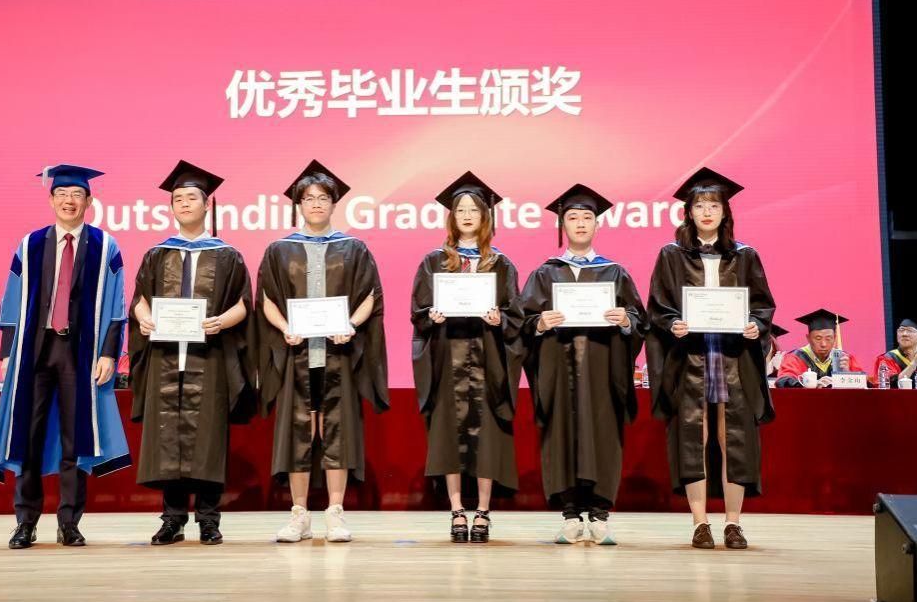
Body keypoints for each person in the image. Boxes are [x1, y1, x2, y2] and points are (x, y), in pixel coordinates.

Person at [0, 164, 130, 549]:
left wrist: (109, 353)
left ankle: (69, 522)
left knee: (74, 437)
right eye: (62, 194)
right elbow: (11, 297)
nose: (69, 200)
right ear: (51, 201)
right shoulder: (30, 244)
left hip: (80, 352)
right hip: (35, 349)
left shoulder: (106, 246)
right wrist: (7, 351)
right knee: (28, 434)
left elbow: (117, 305)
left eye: (77, 194)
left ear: (89, 201)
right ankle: (25, 521)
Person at [256, 160, 389, 543]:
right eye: (309, 198)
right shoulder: (280, 250)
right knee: (298, 431)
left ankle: (335, 513)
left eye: (323, 198)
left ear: (333, 203)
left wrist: (351, 325)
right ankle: (299, 515)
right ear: (299, 204)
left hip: (337, 354)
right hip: (296, 355)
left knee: (338, 431)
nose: (316, 203)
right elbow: (266, 298)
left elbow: (370, 296)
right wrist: (285, 328)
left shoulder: (353, 248)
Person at [646, 167, 776, 550]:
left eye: (714, 205)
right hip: (691, 358)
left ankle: (733, 523)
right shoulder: (671, 256)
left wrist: (755, 325)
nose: (707, 212)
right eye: (700, 205)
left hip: (733, 358)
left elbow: (762, 306)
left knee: (732, 436)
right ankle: (700, 522)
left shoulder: (745, 256)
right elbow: (659, 307)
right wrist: (673, 324)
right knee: (694, 437)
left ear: (725, 212)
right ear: (688, 212)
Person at [128, 161, 255, 546]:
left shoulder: (227, 255)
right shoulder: (157, 254)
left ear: (206, 204)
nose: (184, 203)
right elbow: (139, 299)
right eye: (178, 199)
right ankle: (172, 519)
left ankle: (209, 519)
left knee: (208, 438)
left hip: (209, 357)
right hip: (166, 357)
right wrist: (144, 318)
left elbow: (243, 303)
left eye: (191, 198)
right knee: (167, 435)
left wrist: (221, 322)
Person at [520, 184, 646, 546]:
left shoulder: (615, 272)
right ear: (562, 224)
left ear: (597, 224)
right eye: (572, 217)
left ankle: (600, 514)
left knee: (602, 434)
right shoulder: (545, 273)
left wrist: (626, 319)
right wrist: (539, 323)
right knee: (562, 435)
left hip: (602, 371)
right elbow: (522, 322)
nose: (579, 223)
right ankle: (571, 513)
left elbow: (640, 320)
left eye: (587, 217)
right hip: (559, 371)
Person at [410, 172, 523, 544]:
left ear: (485, 216)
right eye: (461, 209)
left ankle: (484, 511)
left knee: (487, 436)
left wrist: (500, 319)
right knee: (449, 433)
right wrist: (431, 316)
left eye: (474, 209)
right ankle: (457, 509)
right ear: (452, 216)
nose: (468, 215)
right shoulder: (434, 261)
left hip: (488, 359)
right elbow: (419, 311)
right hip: (448, 358)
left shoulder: (500, 263)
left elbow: (515, 315)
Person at [774, 310, 864, 388]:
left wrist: (847, 374)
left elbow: (865, 385)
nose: (823, 344)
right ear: (808, 338)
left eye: (828, 338)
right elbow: (783, 381)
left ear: (835, 338)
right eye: (818, 338)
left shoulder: (844, 359)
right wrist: (811, 385)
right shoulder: (795, 358)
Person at [870, 319, 917, 388]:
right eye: (901, 330)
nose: (904, 334)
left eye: (910, 331)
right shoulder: (887, 358)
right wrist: (914, 364)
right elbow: (890, 385)